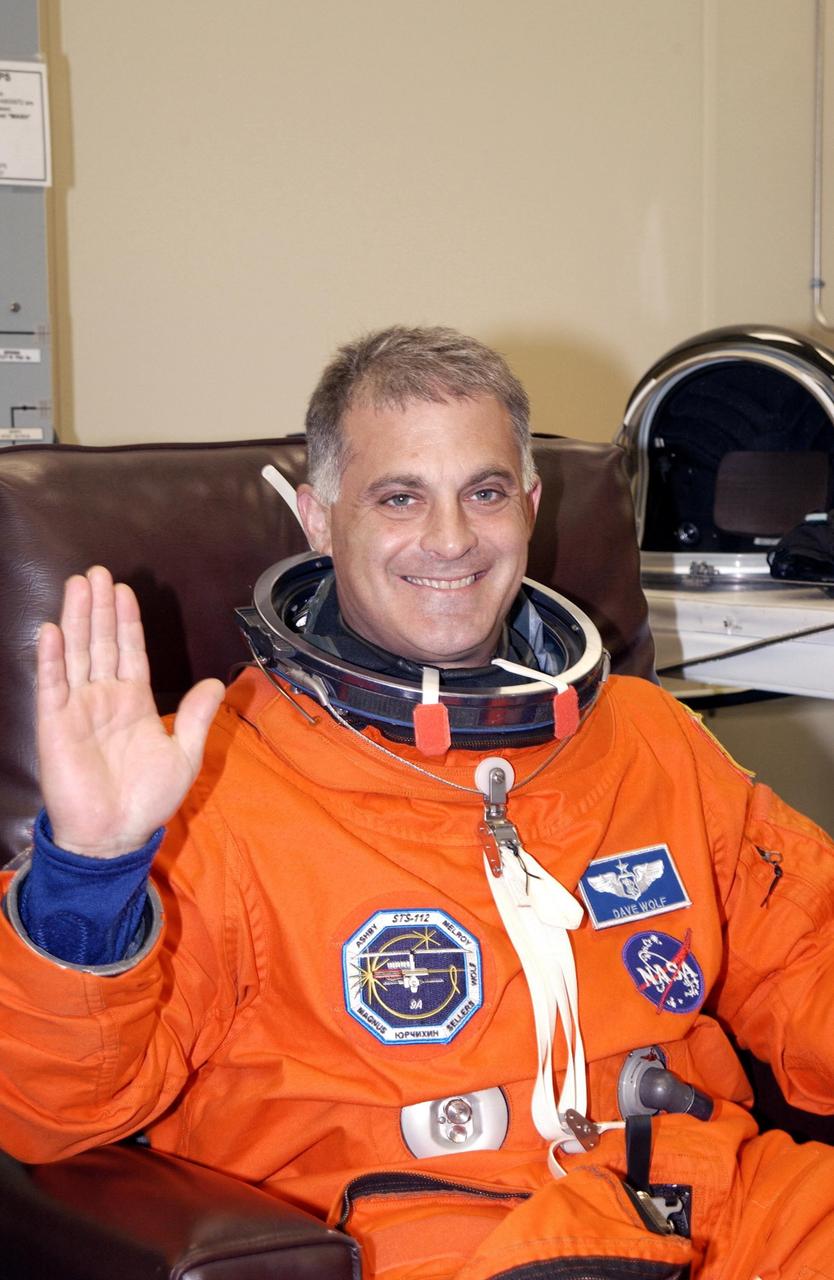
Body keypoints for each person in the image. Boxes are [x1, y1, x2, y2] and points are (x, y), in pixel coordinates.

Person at [2, 325, 834, 1280]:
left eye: (483, 492)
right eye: (400, 497)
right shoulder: (222, 781)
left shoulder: (647, 737)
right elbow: (49, 1111)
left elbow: (812, 953)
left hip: (722, 1206)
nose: (449, 540)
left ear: (527, 506)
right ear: (318, 520)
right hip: (435, 1237)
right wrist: (91, 874)